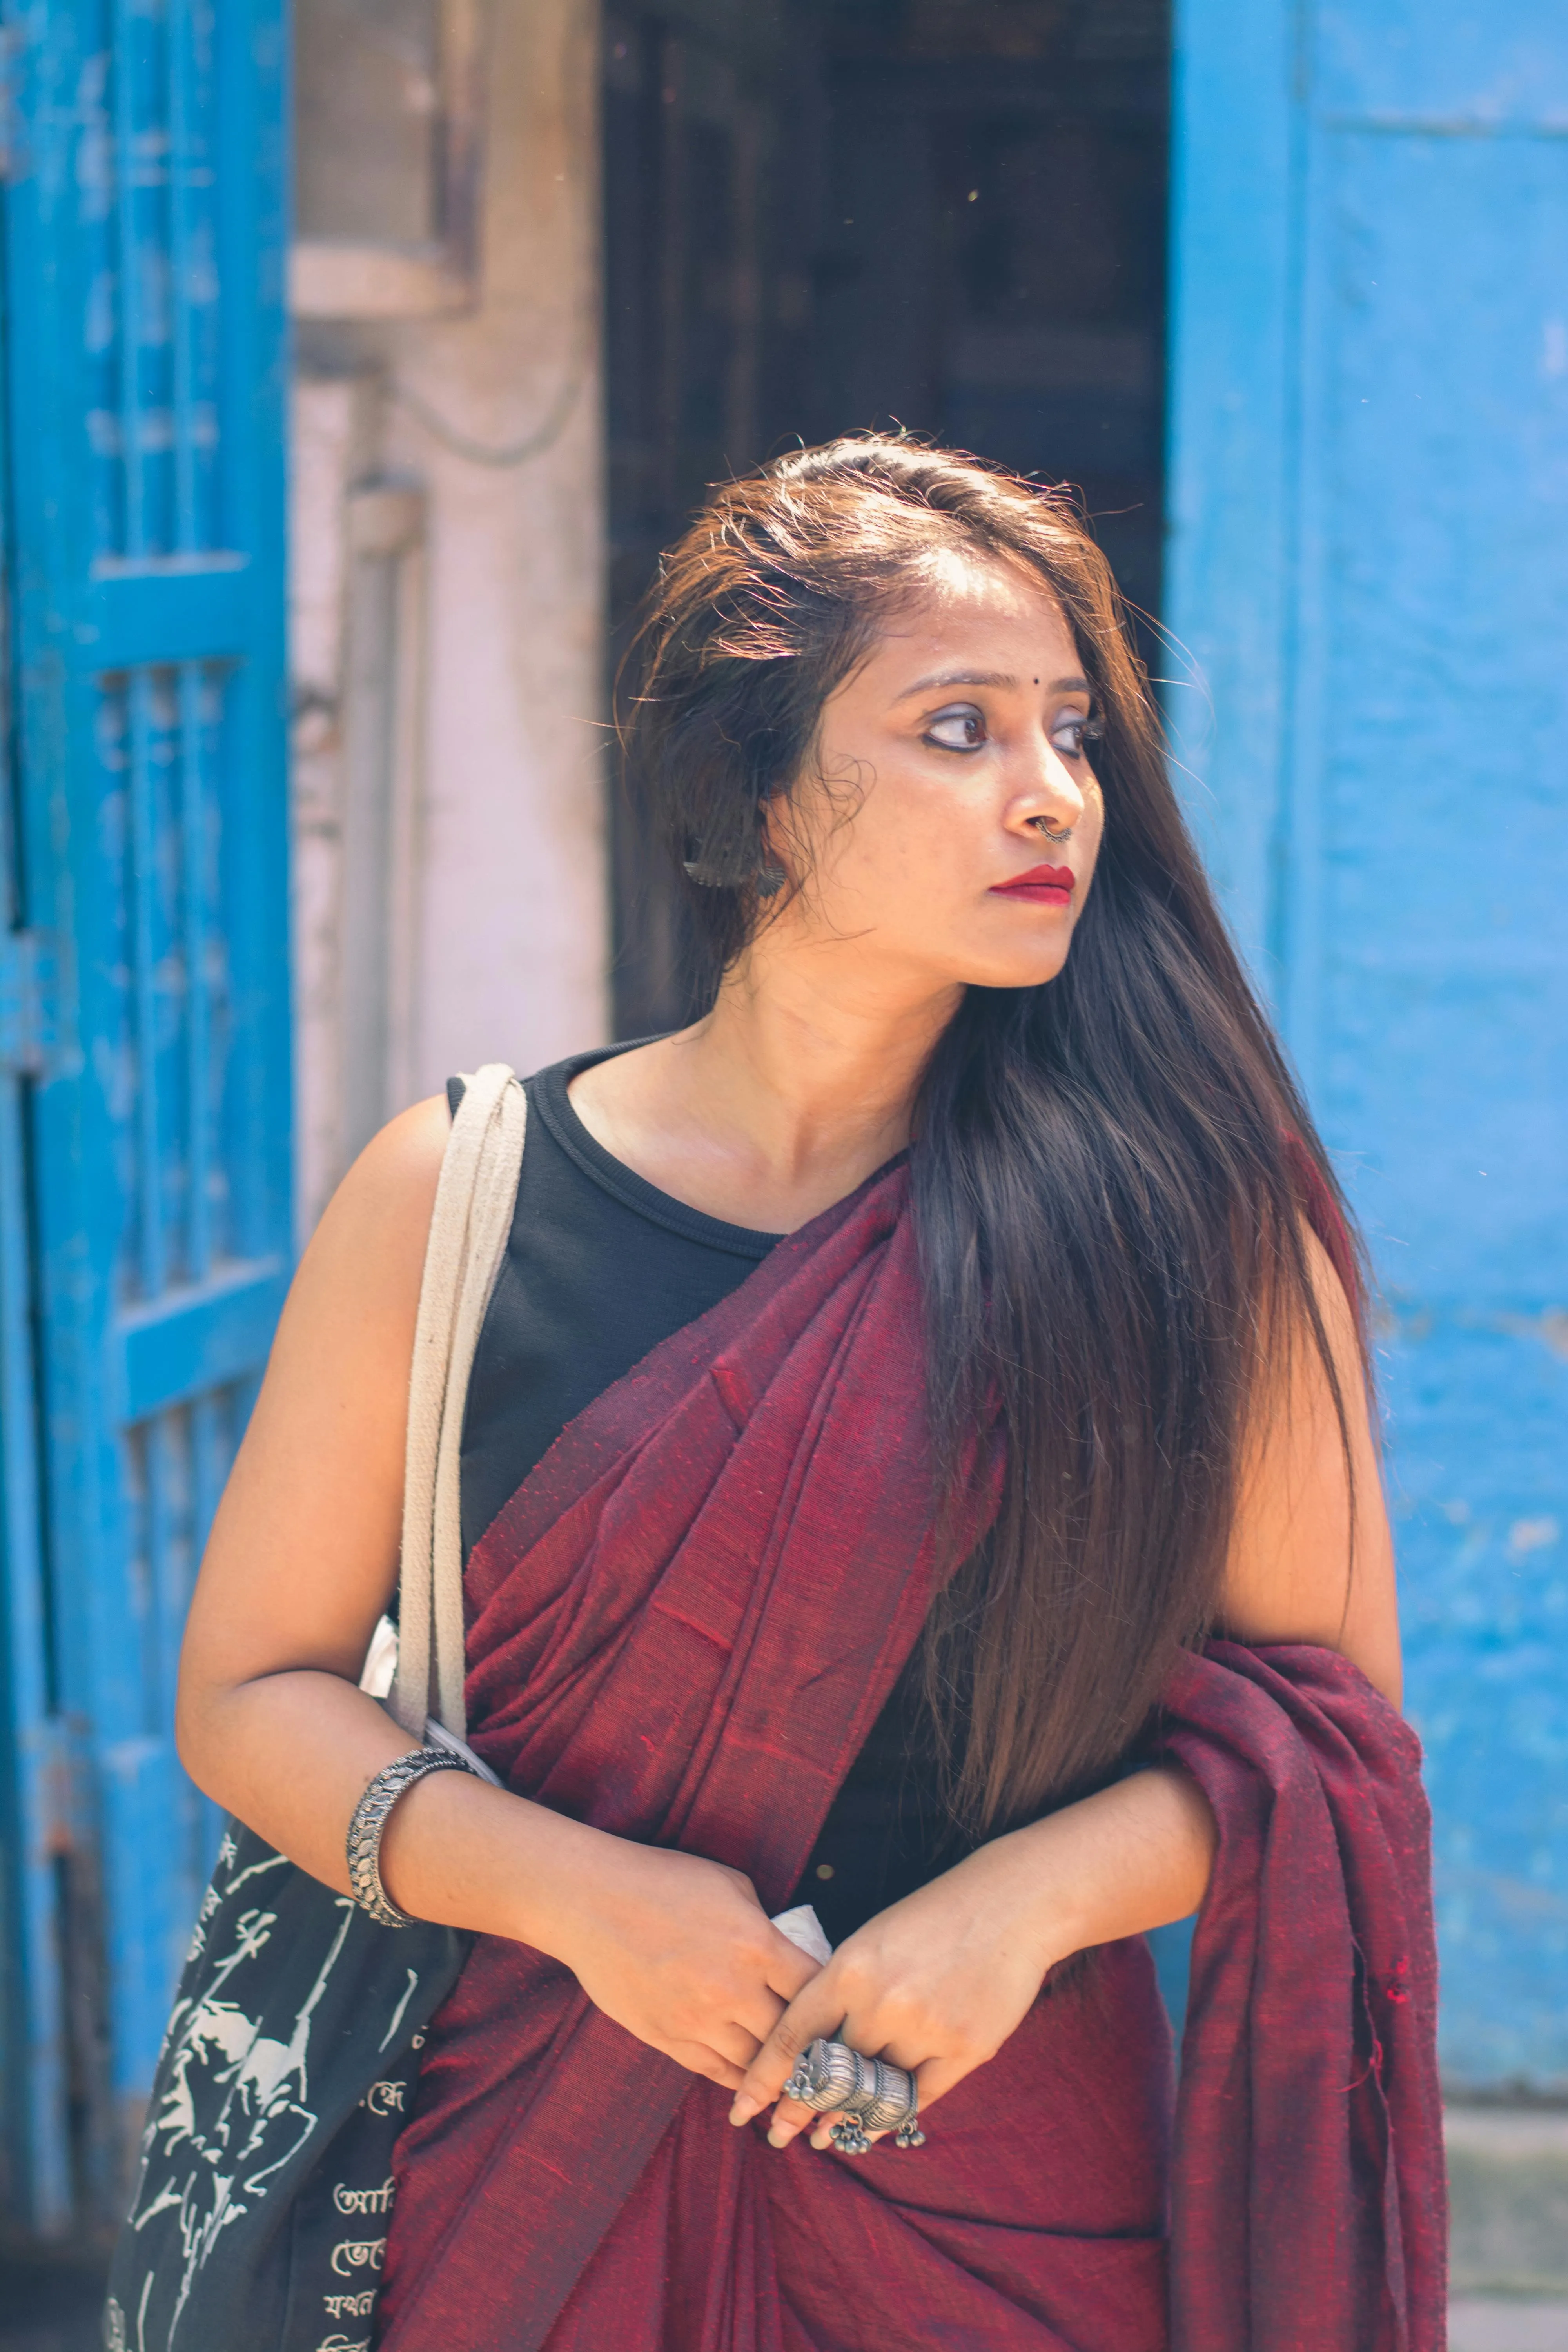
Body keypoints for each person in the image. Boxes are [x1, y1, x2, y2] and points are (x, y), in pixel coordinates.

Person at [176, 437, 1443, 2350]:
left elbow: (1330, 1738)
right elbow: (250, 1692)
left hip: (995, 2181)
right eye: (958, 730)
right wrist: (580, 1900)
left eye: (1070, 732)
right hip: (512, 2172)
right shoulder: (458, 1195)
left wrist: (1015, 1910)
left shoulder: (1196, 1232)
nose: (1052, 792)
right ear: (754, 789)